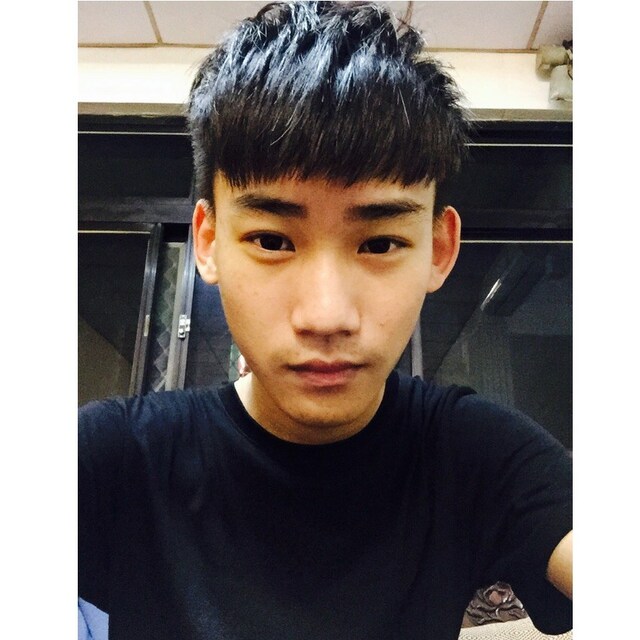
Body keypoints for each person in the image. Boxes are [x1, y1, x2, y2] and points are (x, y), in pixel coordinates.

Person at [78, 2, 572, 639]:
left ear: (438, 250)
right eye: (272, 241)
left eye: (380, 244)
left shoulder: (474, 453)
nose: (326, 316)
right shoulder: (114, 460)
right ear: (208, 241)